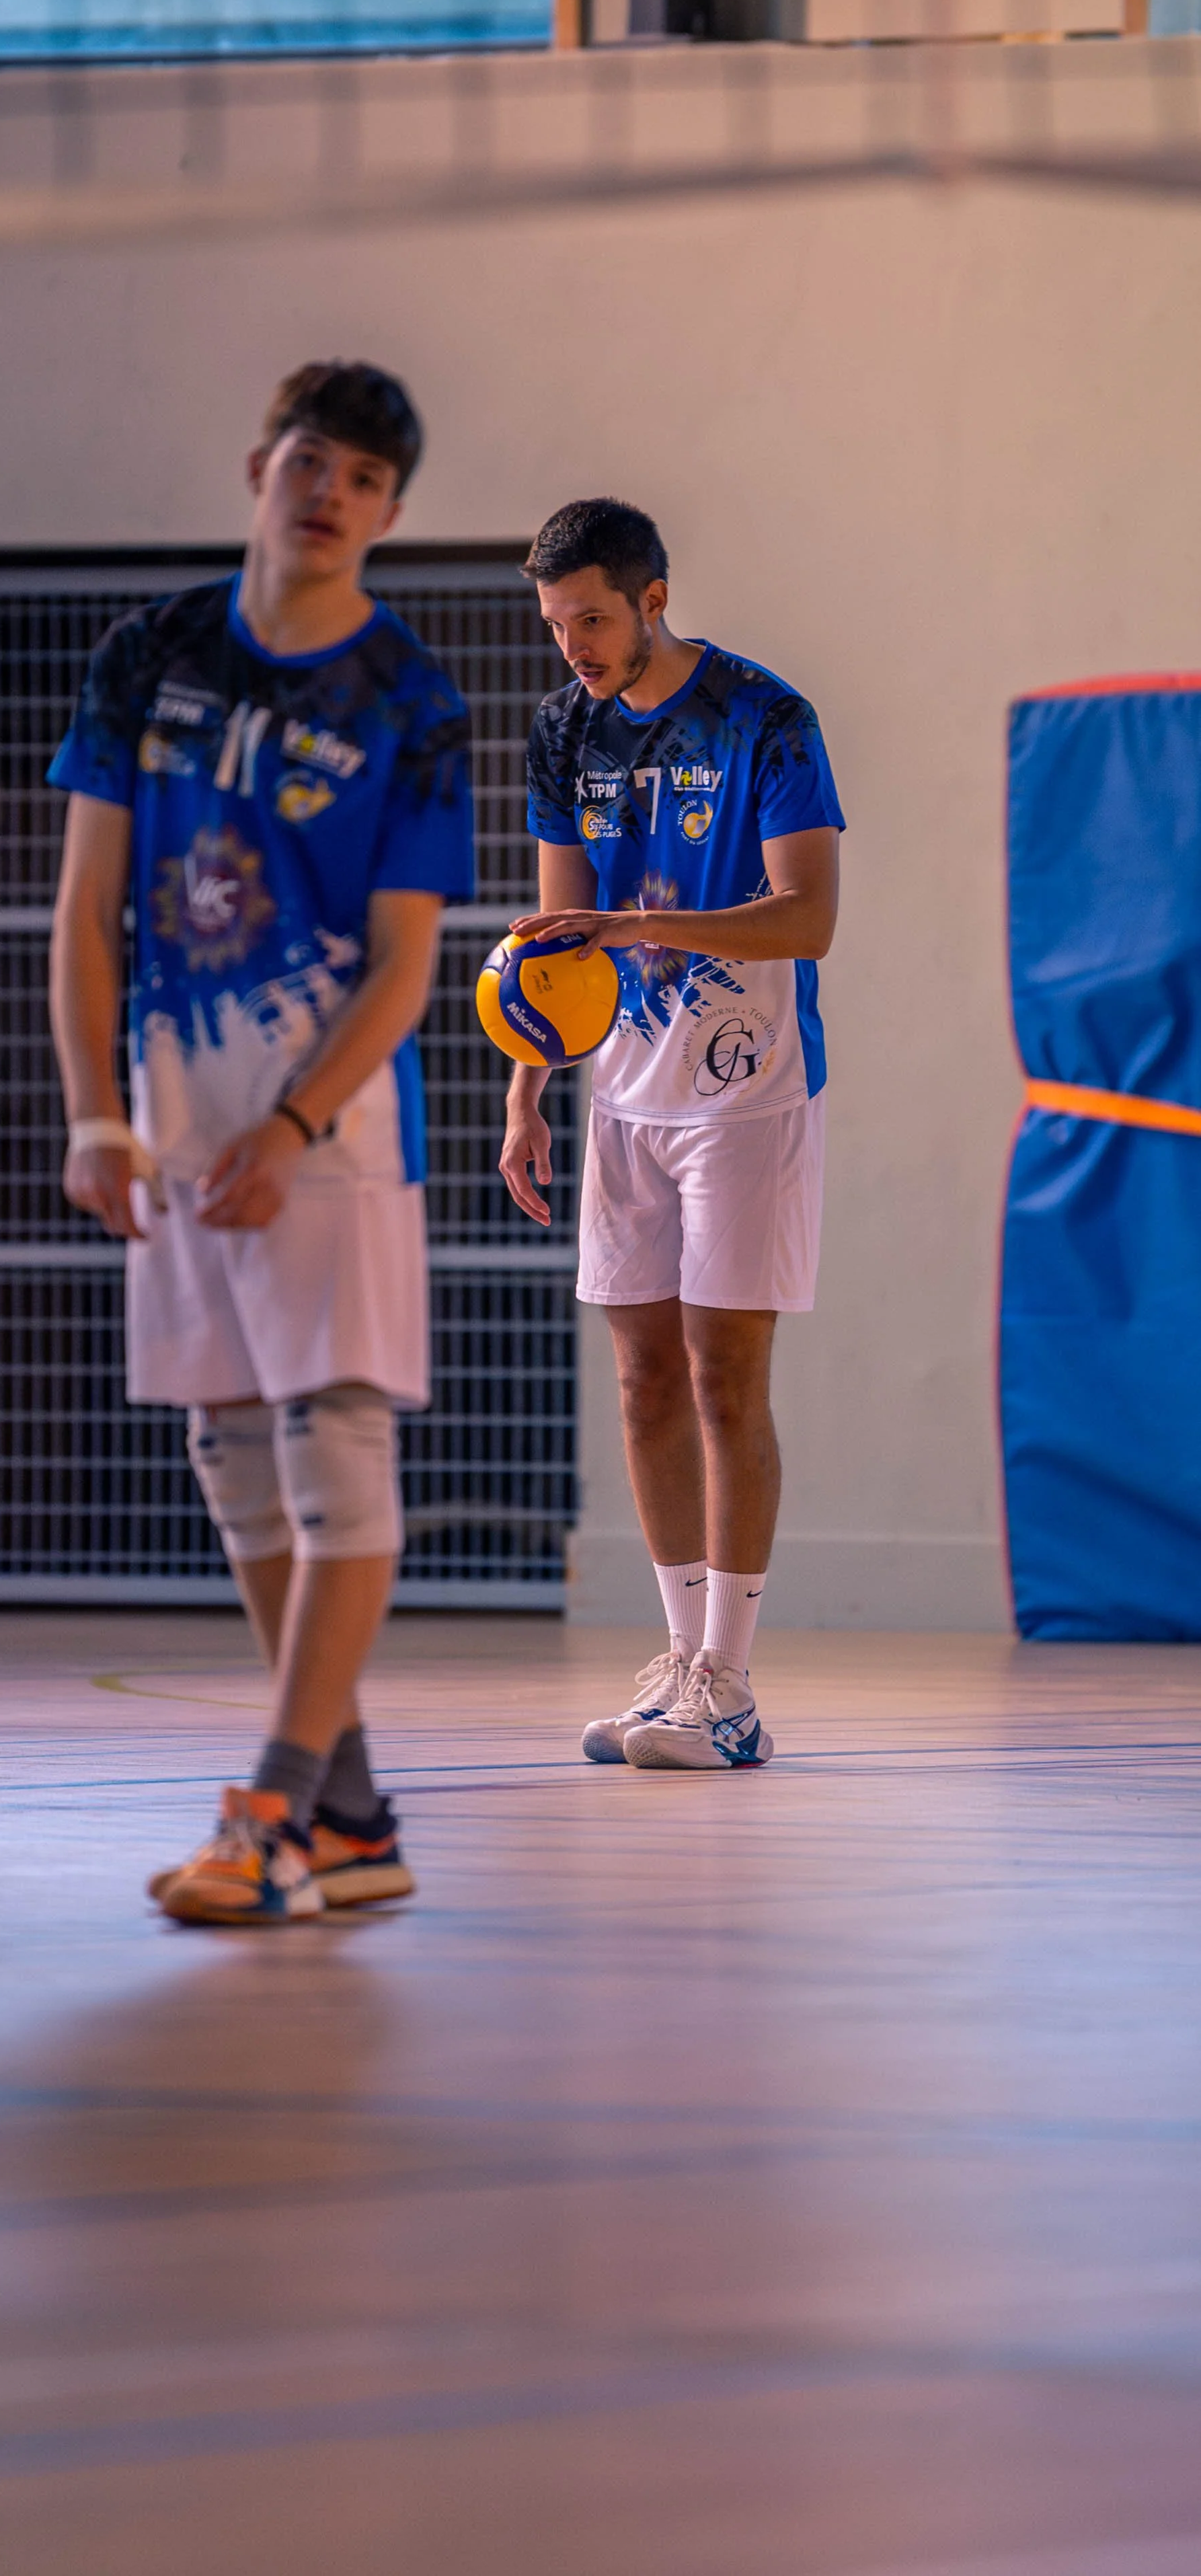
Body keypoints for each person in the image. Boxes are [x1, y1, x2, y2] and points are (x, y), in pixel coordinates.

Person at [47, 361, 473, 1921]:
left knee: (333, 1448)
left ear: (391, 513)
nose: (330, 493)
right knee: (231, 1463)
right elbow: (87, 910)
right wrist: (98, 1110)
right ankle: (354, 1815)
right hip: (175, 1122)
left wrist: (297, 1122)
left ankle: (280, 1817)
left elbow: (410, 961)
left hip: (331, 1132)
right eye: (311, 460)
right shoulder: (147, 653)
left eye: (363, 478)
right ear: (258, 466)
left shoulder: (412, 701)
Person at [501, 498, 843, 1769]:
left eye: (591, 615)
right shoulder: (561, 730)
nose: (572, 644)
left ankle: (735, 1686)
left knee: (720, 1378)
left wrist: (645, 935)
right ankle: (677, 1666)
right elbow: (555, 948)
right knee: (642, 1378)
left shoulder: (768, 717)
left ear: (653, 597)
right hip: (621, 1094)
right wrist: (529, 1085)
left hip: (748, 1092)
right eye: (554, 623)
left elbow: (806, 919)